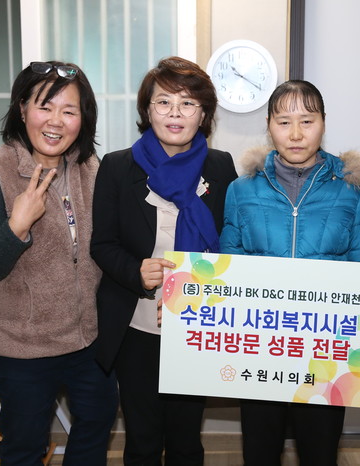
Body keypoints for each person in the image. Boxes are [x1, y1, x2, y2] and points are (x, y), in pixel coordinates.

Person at [219, 80, 360, 466]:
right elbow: (229, 269)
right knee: (260, 454)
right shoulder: (241, 190)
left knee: (320, 453)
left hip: (324, 355)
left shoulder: (352, 190)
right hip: (261, 351)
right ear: (269, 126)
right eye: (284, 122)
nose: (295, 134)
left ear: (323, 123)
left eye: (307, 121)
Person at [0, 61, 118, 466]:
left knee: (97, 423)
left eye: (69, 110)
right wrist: (16, 226)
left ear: (83, 119)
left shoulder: (89, 167)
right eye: (44, 107)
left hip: (86, 338)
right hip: (23, 347)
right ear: (22, 109)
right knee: (25, 448)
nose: (55, 121)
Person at [90, 56, 238, 465]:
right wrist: (135, 270)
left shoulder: (220, 166)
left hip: (197, 322)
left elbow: (232, 243)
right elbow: (102, 244)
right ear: (147, 109)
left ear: (203, 114)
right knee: (142, 440)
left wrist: (201, 285)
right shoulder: (117, 166)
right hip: (136, 323)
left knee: (187, 440)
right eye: (164, 102)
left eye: (188, 103)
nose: (175, 113)